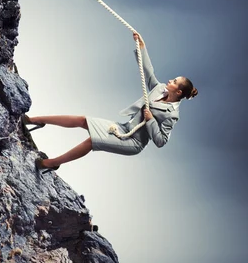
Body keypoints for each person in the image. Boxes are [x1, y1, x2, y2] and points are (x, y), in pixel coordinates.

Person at [24, 32, 198, 173]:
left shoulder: (172, 115)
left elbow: (161, 141)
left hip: (132, 142)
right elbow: (148, 72)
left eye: (174, 82)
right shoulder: (160, 89)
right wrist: (142, 47)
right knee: (83, 120)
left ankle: (52, 163)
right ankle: (34, 120)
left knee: (92, 140)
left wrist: (151, 119)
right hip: (122, 127)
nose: (170, 81)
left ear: (179, 91)